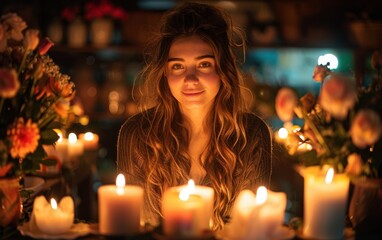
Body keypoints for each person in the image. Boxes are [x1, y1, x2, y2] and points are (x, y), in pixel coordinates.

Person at [117, 1, 272, 230]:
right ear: (165, 74)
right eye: (178, 67)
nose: (190, 79)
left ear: (223, 70)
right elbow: (139, 226)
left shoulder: (251, 135)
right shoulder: (138, 135)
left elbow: (249, 228)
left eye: (204, 65)